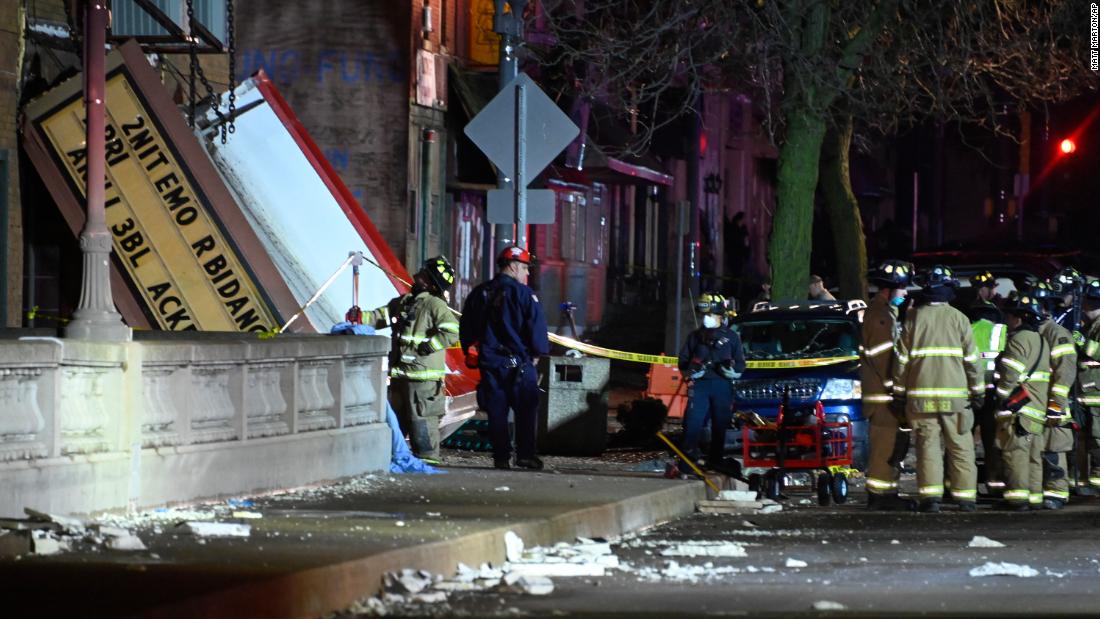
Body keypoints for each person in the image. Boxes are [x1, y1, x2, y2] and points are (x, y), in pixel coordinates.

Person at [892, 265, 983, 513]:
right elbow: (972, 362)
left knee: (927, 448)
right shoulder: (959, 319)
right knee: (961, 447)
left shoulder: (913, 318)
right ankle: (966, 499)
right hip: (955, 400)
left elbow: (901, 361)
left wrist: (899, 393)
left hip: (921, 400)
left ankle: (930, 499)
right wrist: (978, 391)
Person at [459, 246, 550, 470]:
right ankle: (525, 455)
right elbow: (536, 329)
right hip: (519, 364)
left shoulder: (479, 293)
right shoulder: (525, 295)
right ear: (513, 266)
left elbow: (466, 329)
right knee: (526, 410)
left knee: (496, 412)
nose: (527, 273)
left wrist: (472, 352)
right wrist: (537, 354)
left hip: (491, 363)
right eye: (525, 268)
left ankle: (501, 457)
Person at [363, 256, 459, 464]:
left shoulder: (435, 305)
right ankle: (391, 457)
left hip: (423, 378)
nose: (417, 276)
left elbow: (452, 331)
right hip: (400, 374)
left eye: (424, 274)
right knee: (395, 419)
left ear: (431, 283)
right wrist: (358, 318)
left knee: (422, 420)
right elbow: (381, 317)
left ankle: (427, 460)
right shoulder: (405, 302)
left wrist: (429, 346)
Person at [861, 260, 916, 511]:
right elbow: (884, 359)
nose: (905, 294)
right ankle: (880, 495)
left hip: (882, 394)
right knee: (885, 444)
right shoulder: (881, 317)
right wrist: (895, 388)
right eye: (902, 289)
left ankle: (886, 492)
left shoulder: (885, 313)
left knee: (892, 444)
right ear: (889, 289)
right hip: (883, 396)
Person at [993, 293, 1051, 511]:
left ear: (1019, 317)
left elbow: (1010, 374)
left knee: (1015, 454)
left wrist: (1002, 395)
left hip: (1019, 410)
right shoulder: (1041, 341)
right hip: (1037, 409)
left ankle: (1017, 499)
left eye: (1009, 315)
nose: (1007, 320)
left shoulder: (1018, 340)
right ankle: (1034, 498)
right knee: (1034, 457)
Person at [678, 291, 746, 472]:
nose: (706, 318)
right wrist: (691, 373)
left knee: (720, 425)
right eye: (704, 315)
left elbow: (740, 363)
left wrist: (734, 373)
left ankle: (715, 460)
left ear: (719, 315)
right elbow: (683, 361)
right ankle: (687, 464)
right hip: (700, 387)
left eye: (710, 315)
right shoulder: (695, 337)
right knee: (692, 424)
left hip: (722, 386)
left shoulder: (731, 337)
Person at [1027, 281, 1078, 509]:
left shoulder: (1057, 334)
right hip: (1034, 403)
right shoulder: (1032, 331)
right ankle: (1038, 491)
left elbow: (1064, 373)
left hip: (1051, 404)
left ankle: (1057, 493)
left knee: (1054, 449)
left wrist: (1056, 405)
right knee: (1036, 450)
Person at [968, 274, 1008, 495]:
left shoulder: (966, 329)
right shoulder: (1001, 330)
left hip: (970, 394)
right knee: (994, 442)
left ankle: (958, 484)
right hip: (994, 394)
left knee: (963, 442)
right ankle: (995, 486)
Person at [1075, 279, 1100, 492]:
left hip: (1097, 392)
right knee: (1088, 437)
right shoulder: (1089, 325)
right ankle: (1086, 482)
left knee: (1098, 438)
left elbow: (1097, 353)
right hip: (1087, 391)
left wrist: (1081, 342)